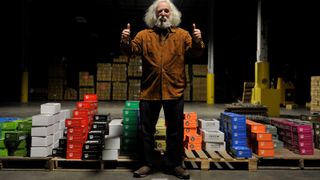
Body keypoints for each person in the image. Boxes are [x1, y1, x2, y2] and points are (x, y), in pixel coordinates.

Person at [120, 0, 205, 179]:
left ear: (172, 14)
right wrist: (125, 41)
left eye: (167, 11)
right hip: (149, 90)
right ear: (154, 15)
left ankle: (174, 164)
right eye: (160, 11)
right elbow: (131, 51)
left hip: (174, 89)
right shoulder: (144, 35)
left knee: (175, 130)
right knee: (146, 130)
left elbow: (195, 53)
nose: (163, 14)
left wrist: (197, 41)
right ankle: (147, 163)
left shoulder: (182, 35)